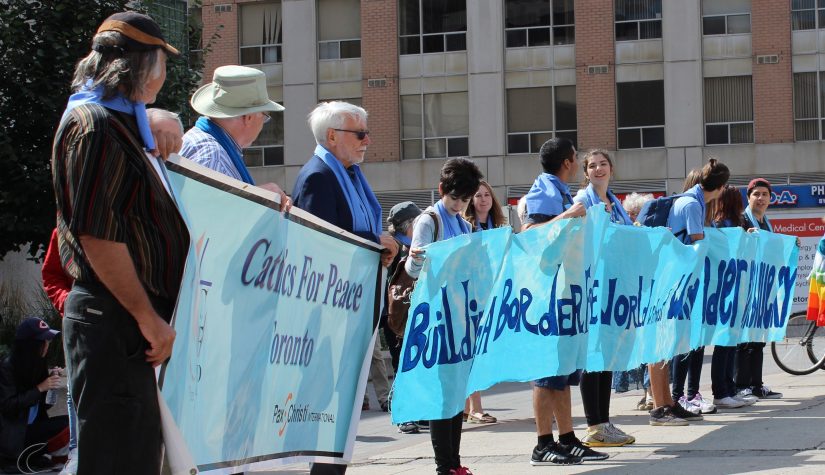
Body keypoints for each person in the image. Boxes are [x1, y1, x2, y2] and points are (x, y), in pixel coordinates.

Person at [51, 11, 189, 474]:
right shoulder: (95, 126)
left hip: (123, 322)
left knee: (136, 455)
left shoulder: (120, 121)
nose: (165, 77)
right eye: (162, 65)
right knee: (119, 459)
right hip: (114, 321)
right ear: (142, 66)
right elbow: (97, 235)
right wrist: (148, 320)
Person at [292, 101, 398, 475]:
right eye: (360, 133)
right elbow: (321, 245)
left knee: (342, 414)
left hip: (354, 306)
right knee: (328, 411)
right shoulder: (318, 176)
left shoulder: (349, 172)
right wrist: (375, 241)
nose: (368, 140)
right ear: (332, 136)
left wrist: (380, 251)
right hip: (331, 315)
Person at [522, 138, 606, 465]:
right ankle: (543, 444)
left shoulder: (558, 189)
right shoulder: (545, 188)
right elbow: (531, 232)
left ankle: (567, 438)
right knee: (546, 373)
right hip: (549, 295)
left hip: (567, 293)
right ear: (569, 162)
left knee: (562, 372)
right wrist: (569, 215)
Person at [406, 158, 483, 475]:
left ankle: (454, 462)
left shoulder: (464, 225)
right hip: (437, 318)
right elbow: (412, 269)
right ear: (442, 190)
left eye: (465, 200)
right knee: (443, 393)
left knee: (456, 393)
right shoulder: (430, 220)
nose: (459, 205)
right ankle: (444, 465)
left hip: (459, 318)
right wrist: (415, 258)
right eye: (455, 198)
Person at [647, 159, 730, 427]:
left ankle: (668, 403)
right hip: (673, 280)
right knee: (662, 345)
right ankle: (662, 407)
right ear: (721, 187)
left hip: (671, 278)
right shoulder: (693, 204)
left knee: (668, 345)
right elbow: (697, 242)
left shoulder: (685, 200)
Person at [571, 149, 635, 447]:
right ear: (585, 172)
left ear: (611, 169)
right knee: (592, 357)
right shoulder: (583, 200)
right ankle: (594, 424)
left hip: (615, 288)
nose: (598, 169)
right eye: (592, 166)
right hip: (593, 288)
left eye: (603, 164)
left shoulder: (617, 204)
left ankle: (605, 421)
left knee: (607, 356)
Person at [180, 65, 291, 210]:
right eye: (265, 116)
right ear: (249, 117)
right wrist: (257, 198)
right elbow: (208, 221)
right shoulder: (213, 157)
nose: (263, 124)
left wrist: (256, 195)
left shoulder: (203, 141)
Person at [669, 171, 717, 417]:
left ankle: (690, 394)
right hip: (683, 280)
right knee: (684, 341)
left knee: (694, 340)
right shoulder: (690, 204)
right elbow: (697, 240)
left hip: (692, 280)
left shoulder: (695, 204)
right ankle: (679, 396)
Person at [459, 180, 503, 424]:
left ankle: (466, 407)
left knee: (482, 350)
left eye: (487, 194)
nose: (483, 199)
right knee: (472, 351)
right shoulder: (466, 226)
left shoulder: (498, 226)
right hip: (471, 295)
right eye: (478, 195)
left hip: (493, 294)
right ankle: (475, 407)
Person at [0, 318, 68, 473]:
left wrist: (51, 385)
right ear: (32, 345)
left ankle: (36, 457)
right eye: (45, 341)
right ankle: (19, 459)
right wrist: (39, 388)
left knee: (70, 423)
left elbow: (46, 406)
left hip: (32, 429)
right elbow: (7, 406)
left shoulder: (38, 365)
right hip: (14, 436)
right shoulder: (7, 368)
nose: (48, 345)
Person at [737, 178, 783, 400]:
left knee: (759, 339)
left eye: (765, 194)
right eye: (756, 194)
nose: (761, 198)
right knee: (745, 340)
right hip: (746, 289)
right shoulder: (742, 220)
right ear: (749, 197)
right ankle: (741, 385)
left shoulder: (767, 222)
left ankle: (756, 384)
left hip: (763, 289)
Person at [709, 185, 754, 409]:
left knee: (730, 342)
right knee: (724, 342)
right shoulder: (722, 225)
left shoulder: (736, 224)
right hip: (725, 289)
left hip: (734, 288)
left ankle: (729, 388)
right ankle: (721, 391)